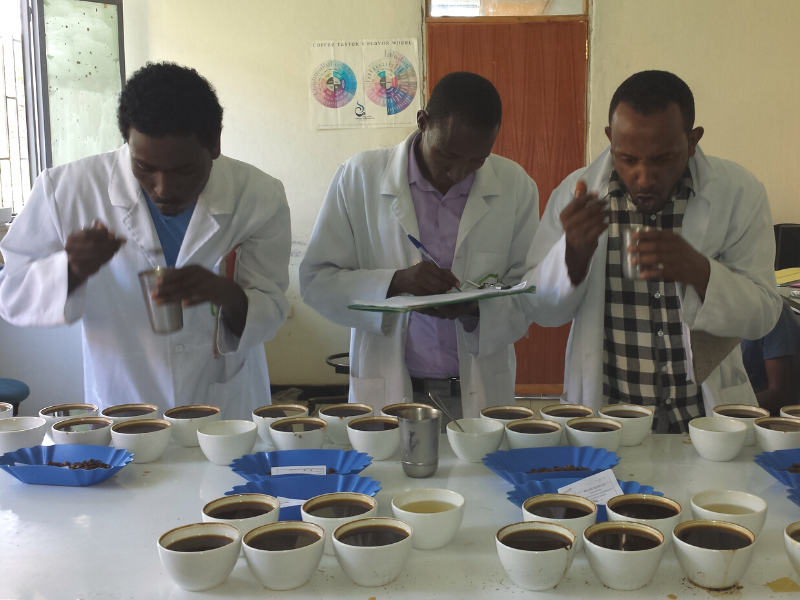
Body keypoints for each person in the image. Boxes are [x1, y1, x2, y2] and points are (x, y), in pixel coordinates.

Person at [0, 62, 290, 419]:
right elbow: (11, 294)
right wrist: (70, 270)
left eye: (184, 171)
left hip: (227, 405)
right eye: (145, 168)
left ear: (214, 144)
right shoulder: (66, 190)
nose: (163, 189)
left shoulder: (259, 195)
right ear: (127, 141)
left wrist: (224, 293)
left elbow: (273, 307)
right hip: (124, 400)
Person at [525, 70, 782, 433]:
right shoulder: (576, 195)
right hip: (608, 421)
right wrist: (573, 257)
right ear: (610, 139)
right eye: (628, 159)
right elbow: (541, 311)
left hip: (706, 422)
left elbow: (764, 315)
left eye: (662, 160)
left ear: (692, 142)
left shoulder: (738, 193)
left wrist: (701, 272)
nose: (644, 177)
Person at [299, 72, 540, 420]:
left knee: (483, 473)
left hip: (478, 391)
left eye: (477, 161)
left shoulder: (515, 186)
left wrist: (473, 310)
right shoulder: (358, 177)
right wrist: (395, 283)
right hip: (391, 389)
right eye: (448, 155)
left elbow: (527, 291)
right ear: (423, 122)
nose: (459, 173)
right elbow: (317, 282)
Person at [741, 301, 800, 414]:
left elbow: (782, 395)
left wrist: (727, 409)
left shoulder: (773, 312)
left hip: (754, 417)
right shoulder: (704, 312)